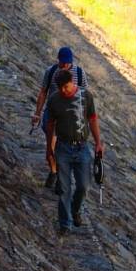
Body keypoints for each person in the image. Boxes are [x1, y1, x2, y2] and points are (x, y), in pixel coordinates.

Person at [46, 68, 103, 235]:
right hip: (63, 148)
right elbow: (50, 125)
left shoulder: (86, 96)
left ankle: (75, 209)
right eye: (61, 88)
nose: (65, 90)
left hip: (83, 147)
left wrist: (98, 142)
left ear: (73, 81)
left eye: (67, 86)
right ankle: (65, 223)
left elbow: (92, 120)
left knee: (83, 186)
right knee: (64, 188)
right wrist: (50, 147)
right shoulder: (54, 100)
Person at [31, 47, 88, 189]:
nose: (65, 66)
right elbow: (43, 92)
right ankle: (54, 171)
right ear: (58, 60)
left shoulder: (79, 74)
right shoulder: (50, 71)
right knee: (51, 148)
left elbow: (85, 95)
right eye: (63, 63)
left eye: (68, 63)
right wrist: (37, 113)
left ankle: (61, 176)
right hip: (51, 114)